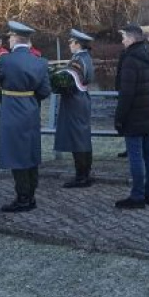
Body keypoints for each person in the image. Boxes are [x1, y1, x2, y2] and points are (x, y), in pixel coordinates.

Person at [0, 21, 51, 212]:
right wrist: (29, 98)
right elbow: (45, 91)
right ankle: (31, 195)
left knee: (16, 155)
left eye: (10, 37)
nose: (9, 40)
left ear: (14, 39)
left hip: (12, 111)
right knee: (31, 153)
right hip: (31, 111)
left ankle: (23, 199)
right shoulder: (40, 61)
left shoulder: (5, 60)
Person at [114, 23, 149, 209]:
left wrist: (119, 118)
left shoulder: (130, 59)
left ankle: (137, 196)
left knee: (136, 157)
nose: (122, 41)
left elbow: (126, 94)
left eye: (124, 37)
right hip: (148, 113)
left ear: (132, 38)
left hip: (134, 116)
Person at [54, 29, 96, 187]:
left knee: (78, 138)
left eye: (72, 42)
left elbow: (67, 83)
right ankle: (85, 173)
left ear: (78, 44)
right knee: (82, 137)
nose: (69, 45)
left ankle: (81, 176)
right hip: (82, 99)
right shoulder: (86, 57)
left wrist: (55, 83)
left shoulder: (77, 60)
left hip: (75, 101)